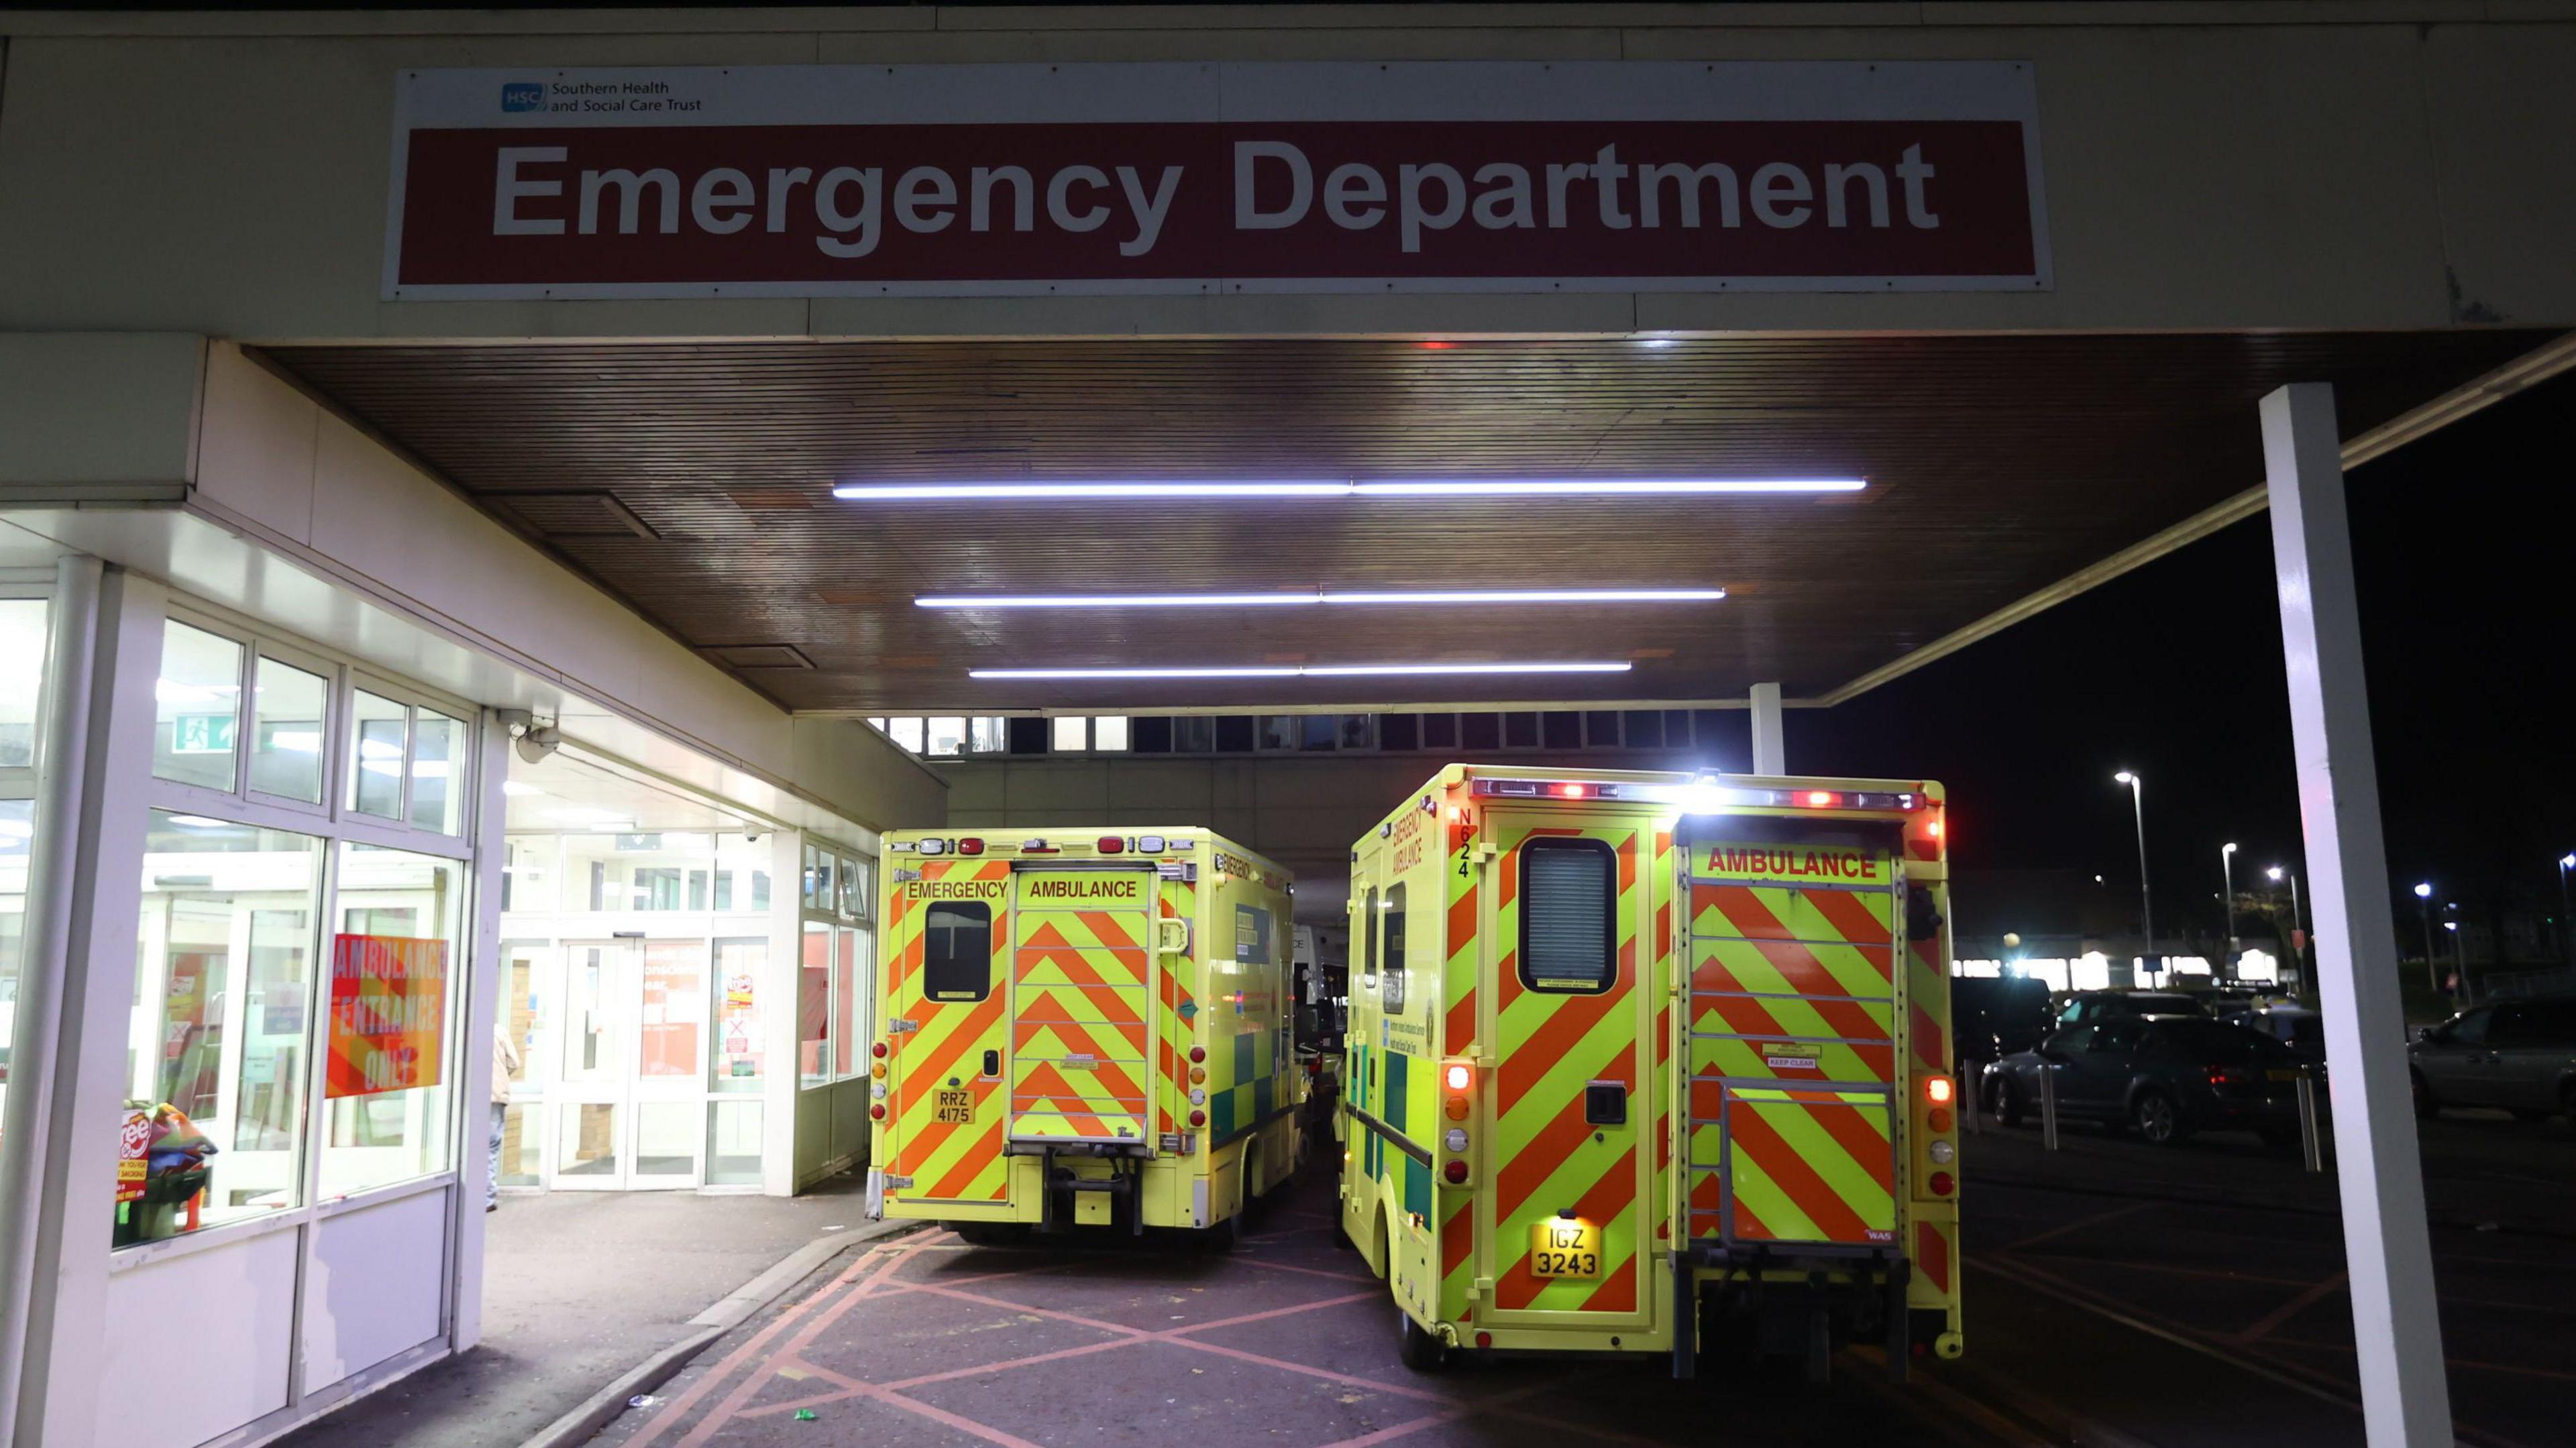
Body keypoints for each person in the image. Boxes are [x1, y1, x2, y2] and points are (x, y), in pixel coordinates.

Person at [489, 1027, 522, 1212]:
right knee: (490, 1147)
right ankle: (486, 1198)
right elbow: (514, 1062)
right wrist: (501, 1076)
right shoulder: (499, 1032)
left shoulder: (462, 1025)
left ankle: (469, 1195)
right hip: (495, 1096)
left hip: (469, 1097)